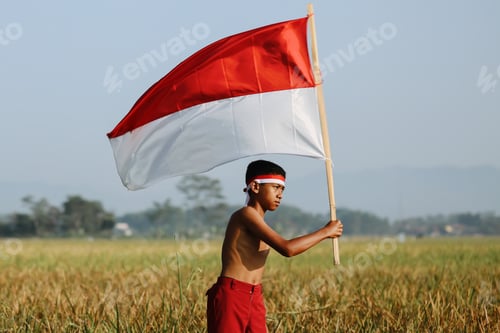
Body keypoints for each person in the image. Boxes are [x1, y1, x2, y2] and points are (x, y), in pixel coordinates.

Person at [206, 159, 343, 333]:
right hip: (232, 296)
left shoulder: (259, 221)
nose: (280, 195)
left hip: (254, 296)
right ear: (255, 187)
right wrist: (325, 232)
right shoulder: (246, 214)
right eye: (275, 187)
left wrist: (326, 232)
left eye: (282, 189)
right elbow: (287, 248)